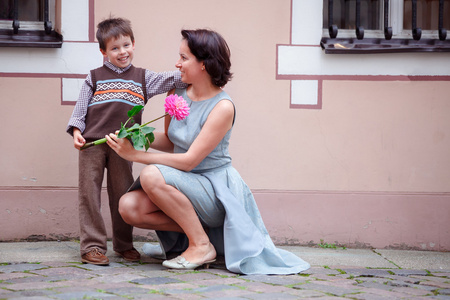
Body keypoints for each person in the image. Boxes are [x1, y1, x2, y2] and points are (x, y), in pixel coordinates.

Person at [105, 29, 310, 274]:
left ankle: (201, 245)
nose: (177, 63)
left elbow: (190, 161)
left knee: (150, 174)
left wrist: (136, 155)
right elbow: (172, 142)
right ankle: (206, 236)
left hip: (213, 189)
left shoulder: (223, 107)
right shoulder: (176, 94)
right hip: (183, 184)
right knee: (128, 207)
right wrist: (134, 137)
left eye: (184, 57)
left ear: (203, 63)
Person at [66, 17, 186, 266]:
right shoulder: (94, 77)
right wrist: (77, 130)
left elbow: (173, 79)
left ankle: (123, 244)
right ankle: (92, 246)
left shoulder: (143, 78)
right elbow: (80, 108)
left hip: (124, 146)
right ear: (103, 51)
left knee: (122, 194)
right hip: (92, 145)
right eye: (114, 48)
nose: (122, 52)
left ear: (133, 44)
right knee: (89, 195)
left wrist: (196, 68)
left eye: (126, 45)